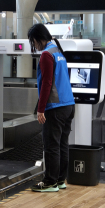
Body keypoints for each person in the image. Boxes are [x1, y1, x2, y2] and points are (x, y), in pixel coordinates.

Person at [28, 23, 75, 193]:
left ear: (38, 39)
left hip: (55, 106)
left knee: (51, 146)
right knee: (62, 144)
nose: (35, 46)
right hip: (68, 104)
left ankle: (50, 182)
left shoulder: (47, 55)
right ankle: (60, 179)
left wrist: (41, 109)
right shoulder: (57, 50)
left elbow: (47, 82)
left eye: (33, 42)